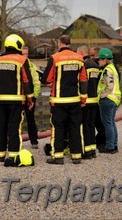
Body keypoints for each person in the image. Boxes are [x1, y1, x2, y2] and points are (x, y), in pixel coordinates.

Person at [0, 34, 35, 167]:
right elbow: (27, 81)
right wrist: (30, 98)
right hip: (17, 101)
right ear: (18, 45)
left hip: (0, 100)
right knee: (14, 127)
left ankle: (0, 154)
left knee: (0, 127)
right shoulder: (21, 60)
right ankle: (13, 155)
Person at [41, 34, 87, 165]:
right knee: (75, 127)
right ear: (69, 43)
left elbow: (46, 79)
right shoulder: (79, 58)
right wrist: (83, 99)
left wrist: (51, 81)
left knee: (58, 128)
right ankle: (76, 156)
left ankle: (58, 156)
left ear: (59, 43)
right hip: (74, 100)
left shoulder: (55, 58)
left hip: (59, 100)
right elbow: (83, 80)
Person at [77, 45, 100, 159]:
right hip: (94, 100)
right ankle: (92, 150)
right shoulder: (96, 66)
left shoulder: (84, 66)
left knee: (84, 126)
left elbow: (82, 83)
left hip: (85, 101)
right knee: (91, 125)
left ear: (81, 52)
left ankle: (86, 151)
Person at [97, 47, 121, 154]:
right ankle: (114, 145)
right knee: (111, 123)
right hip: (114, 99)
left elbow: (109, 86)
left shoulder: (108, 70)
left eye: (100, 59)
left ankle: (110, 146)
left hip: (107, 99)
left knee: (107, 124)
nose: (98, 61)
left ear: (105, 59)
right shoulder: (113, 68)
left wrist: (102, 95)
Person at [22, 46, 42, 149]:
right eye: (23, 54)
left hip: (30, 97)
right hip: (19, 96)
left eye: (26, 54)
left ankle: (34, 141)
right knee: (16, 120)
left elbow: (36, 82)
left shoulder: (32, 66)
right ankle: (14, 140)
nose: (25, 56)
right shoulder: (18, 64)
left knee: (30, 119)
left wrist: (34, 97)